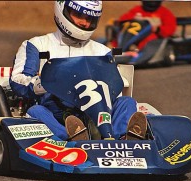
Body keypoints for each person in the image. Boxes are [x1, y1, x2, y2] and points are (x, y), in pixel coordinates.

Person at [10, 1, 147, 141]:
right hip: (57, 111)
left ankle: (124, 139)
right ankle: (72, 137)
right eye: (79, 15)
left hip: (96, 112)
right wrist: (43, 82)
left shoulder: (102, 51)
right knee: (35, 112)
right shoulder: (36, 45)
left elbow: (113, 88)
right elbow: (18, 81)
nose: (85, 23)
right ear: (62, 10)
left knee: (127, 102)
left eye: (90, 18)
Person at [108, 0, 177, 51]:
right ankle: (115, 49)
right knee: (119, 36)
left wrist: (158, 29)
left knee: (150, 38)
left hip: (152, 35)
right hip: (132, 34)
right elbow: (123, 19)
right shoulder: (137, 10)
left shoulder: (164, 12)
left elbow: (170, 29)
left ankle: (136, 50)